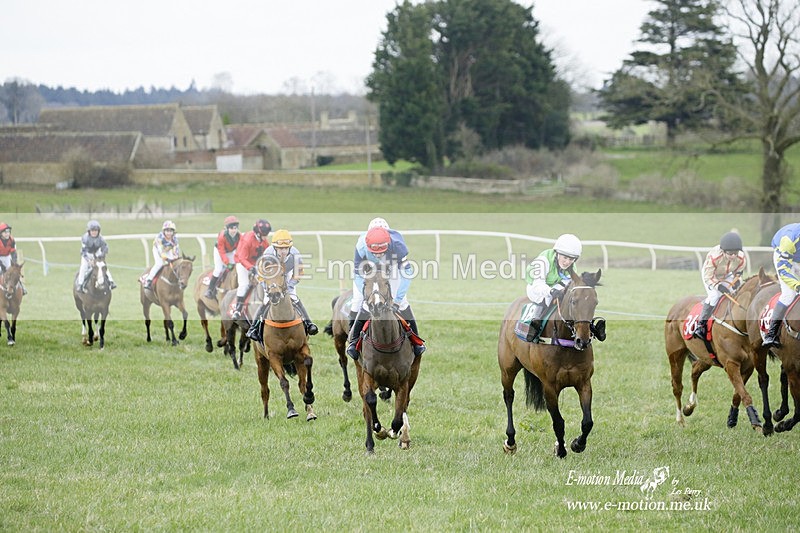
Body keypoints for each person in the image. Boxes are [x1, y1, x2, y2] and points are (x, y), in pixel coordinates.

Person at [346, 220, 426, 360]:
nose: (377, 255)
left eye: (381, 252)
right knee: (360, 302)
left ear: (388, 243)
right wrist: (367, 295)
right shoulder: (360, 245)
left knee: (403, 304)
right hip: (368, 270)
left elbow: (407, 274)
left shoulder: (397, 245)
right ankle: (353, 342)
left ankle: (416, 341)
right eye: (374, 252)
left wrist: (398, 300)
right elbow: (358, 275)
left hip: (391, 269)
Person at [245, 229, 318, 341]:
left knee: (294, 298)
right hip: (271, 276)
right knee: (266, 301)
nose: (283, 251)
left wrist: (289, 286)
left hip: (287, 274)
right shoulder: (268, 255)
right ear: (275, 248)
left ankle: (309, 324)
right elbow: (261, 275)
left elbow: (299, 273)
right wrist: (268, 288)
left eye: (286, 248)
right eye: (280, 248)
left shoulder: (295, 254)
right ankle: (253, 328)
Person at [523, 233, 582, 342]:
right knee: (547, 298)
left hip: (554, 285)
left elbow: (566, 284)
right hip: (535, 286)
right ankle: (534, 324)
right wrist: (551, 291)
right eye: (565, 257)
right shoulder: (543, 261)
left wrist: (560, 291)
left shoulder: (572, 268)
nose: (567, 262)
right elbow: (538, 285)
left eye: (571, 259)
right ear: (557, 253)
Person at [693, 231, 746, 339]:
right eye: (730, 254)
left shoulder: (741, 258)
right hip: (711, 275)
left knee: (737, 291)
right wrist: (718, 286)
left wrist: (737, 280)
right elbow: (709, 277)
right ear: (723, 251)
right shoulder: (714, 257)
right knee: (715, 295)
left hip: (727, 274)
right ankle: (701, 325)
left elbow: (739, 272)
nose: (733, 256)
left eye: (735, 253)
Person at [763, 223, 800, 348]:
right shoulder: (789, 239)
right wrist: (797, 285)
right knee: (789, 294)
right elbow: (783, 269)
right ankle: (771, 334)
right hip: (784, 259)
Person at [230, 218, 271, 320]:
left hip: (255, 264)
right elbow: (242, 258)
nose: (266, 237)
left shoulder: (264, 241)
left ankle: (267, 305)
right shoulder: (247, 239)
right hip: (242, 262)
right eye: (264, 234)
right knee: (244, 284)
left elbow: (267, 254)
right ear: (257, 233)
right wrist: (251, 268)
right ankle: (238, 309)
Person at [76, 220, 117, 292]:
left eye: (96, 231)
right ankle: (80, 284)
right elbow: (83, 251)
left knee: (103, 266)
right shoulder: (85, 238)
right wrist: (88, 260)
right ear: (89, 231)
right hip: (87, 254)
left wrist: (101, 256)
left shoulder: (101, 238)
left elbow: (105, 248)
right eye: (92, 231)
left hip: (97, 254)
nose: (94, 232)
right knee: (83, 267)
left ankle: (111, 281)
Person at [205, 215, 240, 298]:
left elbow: (240, 248)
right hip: (219, 251)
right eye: (232, 228)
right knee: (218, 269)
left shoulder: (239, 236)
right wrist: (227, 263)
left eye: (235, 228)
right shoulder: (222, 237)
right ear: (227, 229)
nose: (234, 230)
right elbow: (222, 252)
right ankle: (210, 289)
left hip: (230, 251)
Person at [143, 220, 181, 289]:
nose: (169, 233)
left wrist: (175, 258)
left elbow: (176, 251)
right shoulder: (159, 238)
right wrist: (167, 259)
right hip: (158, 250)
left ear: (173, 232)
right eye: (167, 231)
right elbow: (161, 252)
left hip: (168, 249)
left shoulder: (175, 239)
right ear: (164, 231)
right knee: (159, 263)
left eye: (170, 231)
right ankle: (148, 280)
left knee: (173, 263)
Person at [0, 222, 26, 295]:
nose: (7, 234)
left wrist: (14, 263)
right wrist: (2, 265)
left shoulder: (11, 240)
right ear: (1, 233)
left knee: (14, 272)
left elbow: (13, 252)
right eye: (5, 232)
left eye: (8, 232)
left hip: (7, 256)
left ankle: (22, 288)